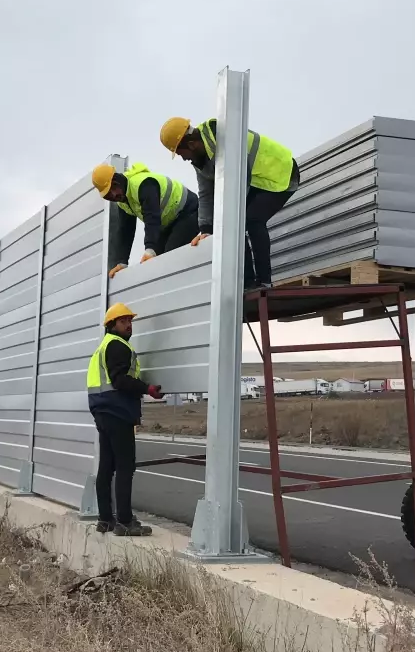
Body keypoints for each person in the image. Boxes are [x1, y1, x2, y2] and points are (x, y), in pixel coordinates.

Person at [158, 117, 301, 288]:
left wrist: (229, 215)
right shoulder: (200, 159)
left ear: (191, 144)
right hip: (256, 181)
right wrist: (205, 229)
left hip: (282, 174)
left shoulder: (227, 139)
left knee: (250, 220)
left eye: (181, 153)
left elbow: (242, 179)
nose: (183, 159)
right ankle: (247, 283)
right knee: (232, 224)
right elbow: (205, 194)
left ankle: (264, 281)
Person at [86, 302, 164, 535]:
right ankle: (125, 521)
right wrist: (146, 388)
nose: (129, 325)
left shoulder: (103, 347)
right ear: (112, 325)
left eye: (130, 321)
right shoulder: (117, 346)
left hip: (103, 412)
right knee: (125, 466)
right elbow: (119, 380)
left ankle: (105, 519)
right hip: (117, 411)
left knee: (107, 467)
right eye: (123, 321)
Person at [91, 162, 200, 279]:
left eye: (114, 188)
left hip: (188, 212)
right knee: (154, 264)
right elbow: (125, 231)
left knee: (168, 258)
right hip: (168, 224)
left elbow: (152, 218)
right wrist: (122, 262)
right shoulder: (123, 201)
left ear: (117, 180)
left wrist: (150, 249)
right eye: (108, 196)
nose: (114, 195)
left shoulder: (143, 184)